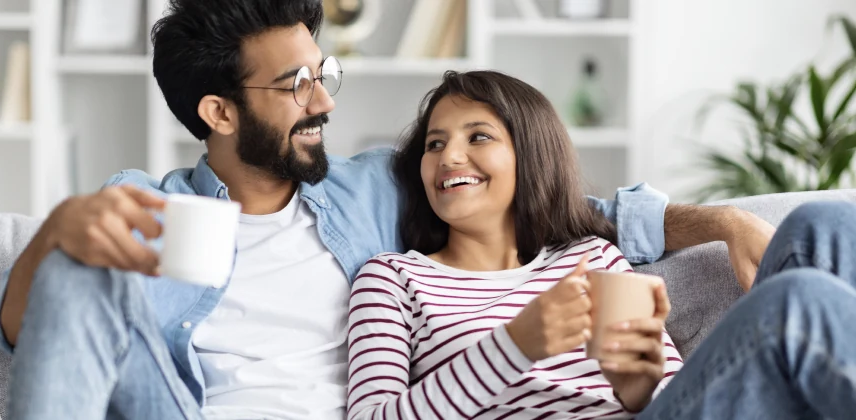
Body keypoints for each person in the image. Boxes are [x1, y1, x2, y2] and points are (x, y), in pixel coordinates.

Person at [0, 0, 775, 418]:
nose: (324, 98)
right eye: (295, 86)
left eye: (320, 70)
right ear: (219, 113)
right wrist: (57, 236)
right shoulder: (152, 206)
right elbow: (26, 327)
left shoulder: (372, 188)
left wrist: (725, 223)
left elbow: (550, 206)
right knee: (81, 265)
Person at [348, 70, 856, 420]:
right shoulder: (391, 278)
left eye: (477, 136)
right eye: (434, 144)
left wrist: (634, 384)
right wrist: (516, 344)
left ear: (530, 156)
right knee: (795, 306)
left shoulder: (591, 256)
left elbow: (665, 395)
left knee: (827, 223)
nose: (449, 155)